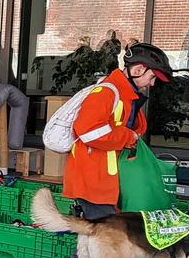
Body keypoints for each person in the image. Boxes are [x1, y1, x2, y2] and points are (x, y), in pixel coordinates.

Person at [62, 43, 172, 221]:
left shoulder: (124, 95)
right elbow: (88, 131)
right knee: (103, 234)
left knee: (102, 233)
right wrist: (128, 136)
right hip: (95, 180)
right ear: (138, 70)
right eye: (152, 77)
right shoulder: (107, 93)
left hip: (105, 180)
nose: (152, 83)